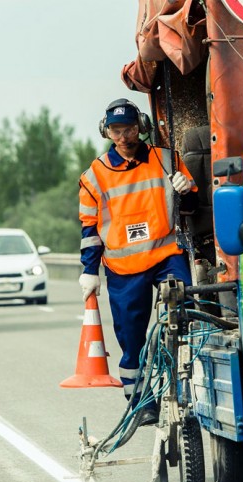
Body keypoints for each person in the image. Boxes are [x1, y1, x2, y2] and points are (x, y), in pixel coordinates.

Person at [77, 98, 199, 426]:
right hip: (123, 270)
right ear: (106, 132)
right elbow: (89, 229)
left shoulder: (165, 160)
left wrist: (185, 189)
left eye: (129, 129)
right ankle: (139, 400)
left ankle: (184, 380)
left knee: (183, 305)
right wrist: (89, 270)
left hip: (165, 257)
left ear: (140, 127)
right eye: (116, 130)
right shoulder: (95, 176)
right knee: (131, 340)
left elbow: (192, 206)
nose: (123, 137)